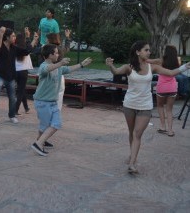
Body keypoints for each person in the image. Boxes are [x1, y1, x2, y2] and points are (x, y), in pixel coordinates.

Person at [105, 40, 190, 174]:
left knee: (137, 134)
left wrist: (185, 67)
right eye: (146, 50)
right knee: (131, 132)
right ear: (138, 52)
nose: (149, 52)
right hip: (129, 104)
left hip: (145, 105)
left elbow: (171, 73)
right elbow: (116, 72)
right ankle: (132, 155)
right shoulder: (129, 67)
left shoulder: (153, 67)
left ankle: (132, 163)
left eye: (149, 50)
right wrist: (110, 65)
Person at [31, 43, 92, 156]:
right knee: (52, 125)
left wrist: (82, 64)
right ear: (50, 55)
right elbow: (46, 70)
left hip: (52, 102)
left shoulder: (58, 68)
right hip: (43, 102)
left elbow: (69, 69)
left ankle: (40, 141)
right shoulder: (44, 66)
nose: (58, 54)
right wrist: (60, 63)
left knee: (49, 124)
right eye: (56, 52)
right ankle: (38, 144)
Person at [0, 26, 32, 130]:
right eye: (13, 36)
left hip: (11, 76)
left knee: (12, 98)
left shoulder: (14, 47)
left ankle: (12, 115)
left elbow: (26, 51)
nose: (14, 38)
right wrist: (1, 32)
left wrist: (32, 39)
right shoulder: (0, 44)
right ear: (7, 37)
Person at [148, 45, 180, 137]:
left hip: (162, 87)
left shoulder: (160, 60)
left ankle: (163, 127)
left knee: (160, 106)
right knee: (169, 110)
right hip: (173, 87)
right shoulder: (176, 62)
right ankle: (170, 130)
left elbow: (147, 61)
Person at [46, 30, 71, 110]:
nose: (46, 41)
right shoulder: (60, 49)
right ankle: (56, 116)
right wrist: (67, 37)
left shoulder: (48, 50)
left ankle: (49, 116)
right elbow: (67, 48)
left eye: (47, 39)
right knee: (59, 98)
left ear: (50, 40)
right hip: (60, 75)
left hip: (51, 75)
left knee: (48, 97)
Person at [14, 28, 37, 115]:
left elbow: (29, 46)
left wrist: (28, 36)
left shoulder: (14, 47)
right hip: (23, 72)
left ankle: (26, 107)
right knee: (20, 91)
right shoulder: (25, 49)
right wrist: (30, 37)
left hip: (15, 71)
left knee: (21, 89)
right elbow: (30, 47)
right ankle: (15, 110)